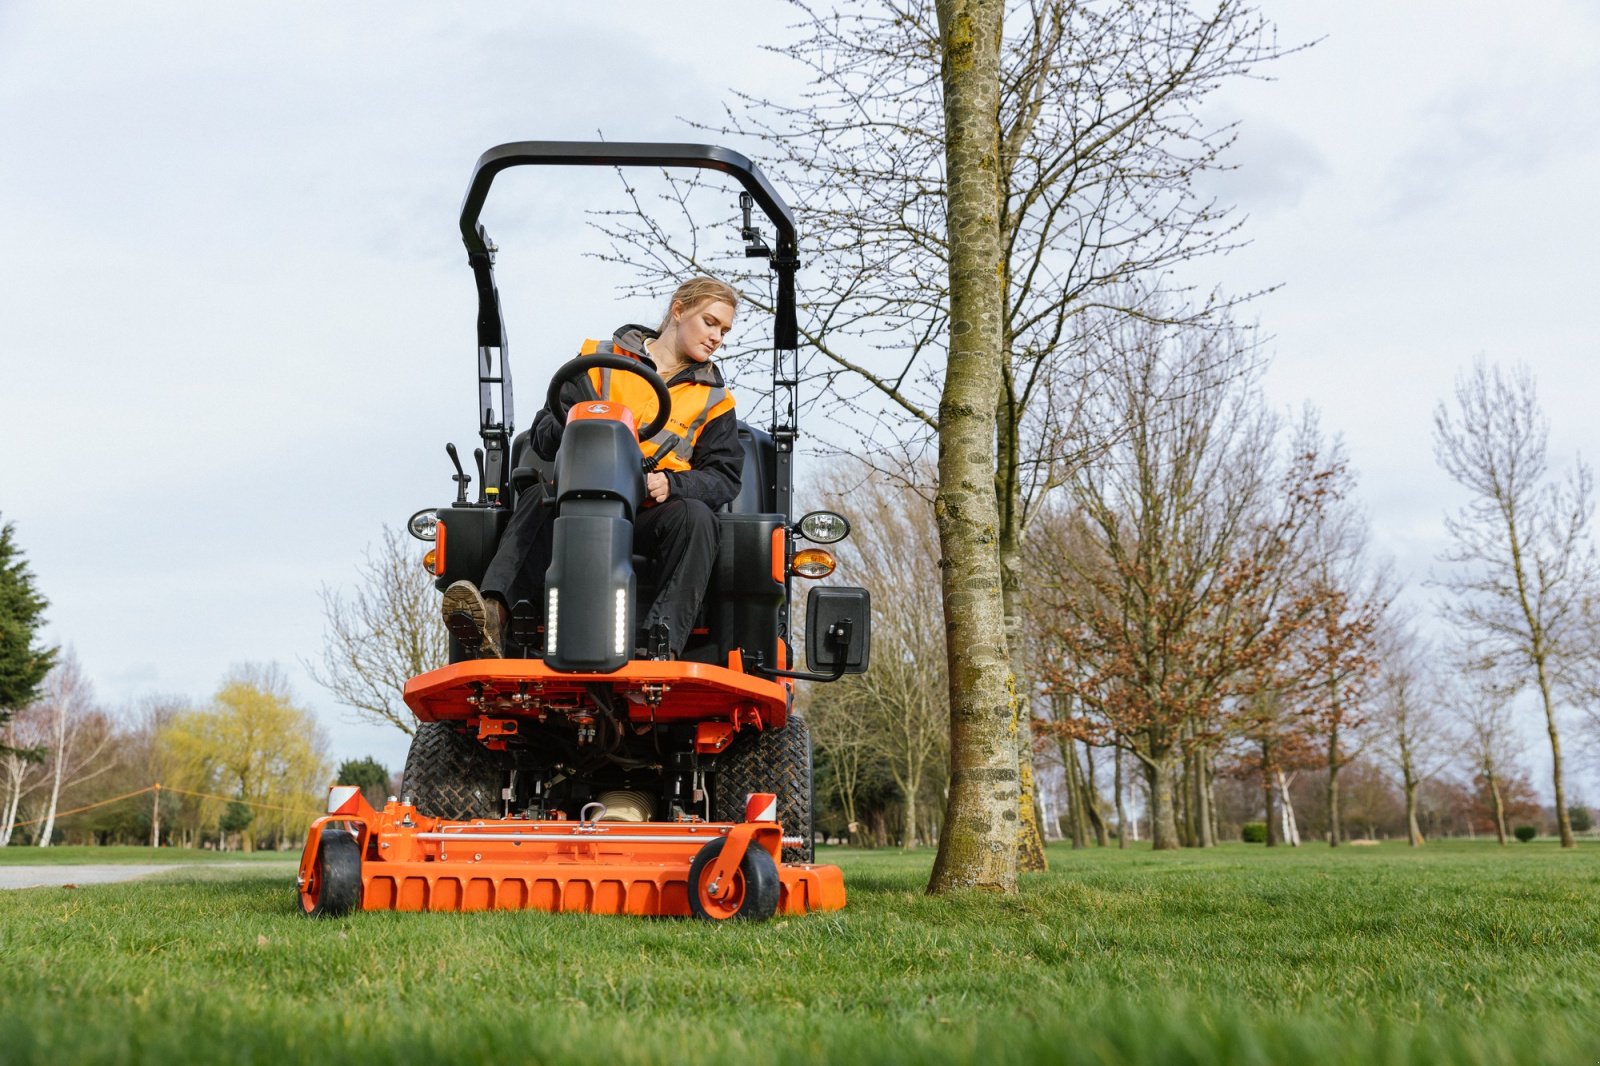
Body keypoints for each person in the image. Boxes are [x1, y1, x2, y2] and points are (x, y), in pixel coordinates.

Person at [442, 276, 742, 660]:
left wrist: (673, 483)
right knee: (537, 498)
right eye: (711, 322)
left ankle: (658, 647)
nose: (718, 337)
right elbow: (544, 438)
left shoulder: (715, 399)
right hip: (580, 503)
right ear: (679, 311)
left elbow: (723, 476)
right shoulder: (599, 361)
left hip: (650, 515)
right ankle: (491, 618)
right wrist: (566, 417)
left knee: (697, 517)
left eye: (725, 330)